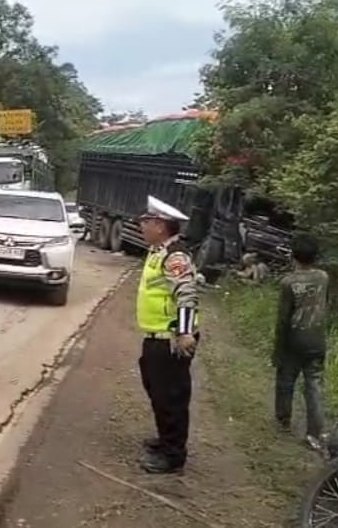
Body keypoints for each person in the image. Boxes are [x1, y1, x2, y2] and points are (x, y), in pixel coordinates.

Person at [136, 195, 200, 474]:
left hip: (171, 340)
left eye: (147, 221)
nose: (142, 226)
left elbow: (186, 293)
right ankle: (165, 441)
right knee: (158, 392)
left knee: (171, 398)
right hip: (155, 336)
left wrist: (185, 333)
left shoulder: (175, 256)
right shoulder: (158, 251)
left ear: (161, 226)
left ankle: (174, 456)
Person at [273, 232, 329, 451]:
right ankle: (314, 433)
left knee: (286, 381)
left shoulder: (288, 283)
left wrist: (278, 349)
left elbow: (283, 319)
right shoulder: (324, 278)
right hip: (317, 339)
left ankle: (283, 421)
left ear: (293, 256)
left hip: (294, 340)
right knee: (314, 386)